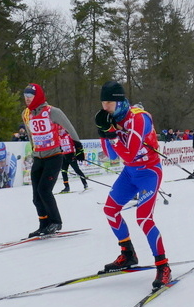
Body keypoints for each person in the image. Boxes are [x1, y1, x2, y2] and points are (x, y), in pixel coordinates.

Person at [95, 80, 170, 289]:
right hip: (130, 173)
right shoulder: (112, 117)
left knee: (144, 219)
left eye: (108, 103)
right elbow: (111, 156)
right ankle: (127, 253)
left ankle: (163, 266)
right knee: (110, 210)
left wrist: (112, 135)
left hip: (149, 173)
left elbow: (129, 153)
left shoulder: (139, 118)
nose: (105, 108)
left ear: (119, 102)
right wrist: (104, 133)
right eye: (103, 103)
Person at [21, 83, 84, 237]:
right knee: (36, 195)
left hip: (54, 157)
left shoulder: (52, 111)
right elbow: (31, 135)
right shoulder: (26, 114)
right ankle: (43, 224)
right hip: (39, 158)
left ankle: (56, 221)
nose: (27, 100)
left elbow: (69, 127)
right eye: (25, 97)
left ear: (38, 96)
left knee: (44, 190)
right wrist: (34, 150)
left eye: (30, 96)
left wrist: (78, 146)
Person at [58, 127, 88, 193]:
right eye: (58, 130)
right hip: (63, 156)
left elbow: (77, 145)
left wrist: (78, 154)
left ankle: (85, 183)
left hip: (71, 155)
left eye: (61, 130)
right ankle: (66, 187)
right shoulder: (58, 138)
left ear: (64, 130)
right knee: (63, 171)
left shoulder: (68, 136)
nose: (59, 131)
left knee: (77, 170)